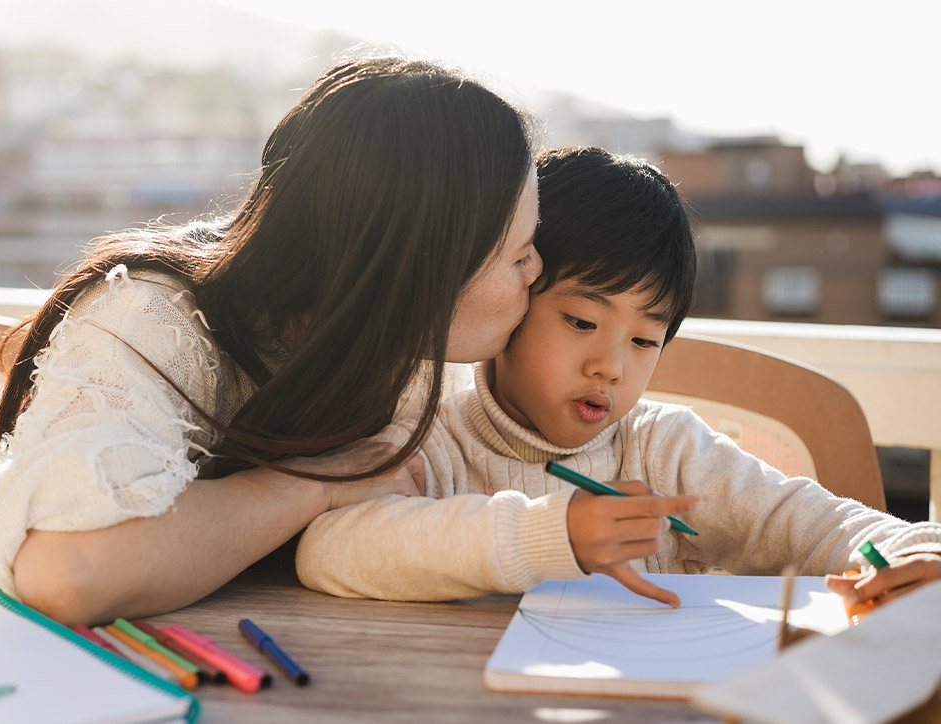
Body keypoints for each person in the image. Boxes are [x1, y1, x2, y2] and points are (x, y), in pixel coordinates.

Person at [0, 55, 547, 626]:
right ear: (426, 266)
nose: (537, 270)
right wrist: (316, 484)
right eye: (519, 252)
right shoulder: (154, 318)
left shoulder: (404, 358)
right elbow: (71, 570)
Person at [295, 147, 941, 608]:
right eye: (580, 321)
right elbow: (329, 549)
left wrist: (908, 548)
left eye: (643, 339)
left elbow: (815, 523)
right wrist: (552, 533)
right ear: (514, 291)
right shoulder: (430, 434)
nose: (611, 365)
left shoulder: (669, 451)